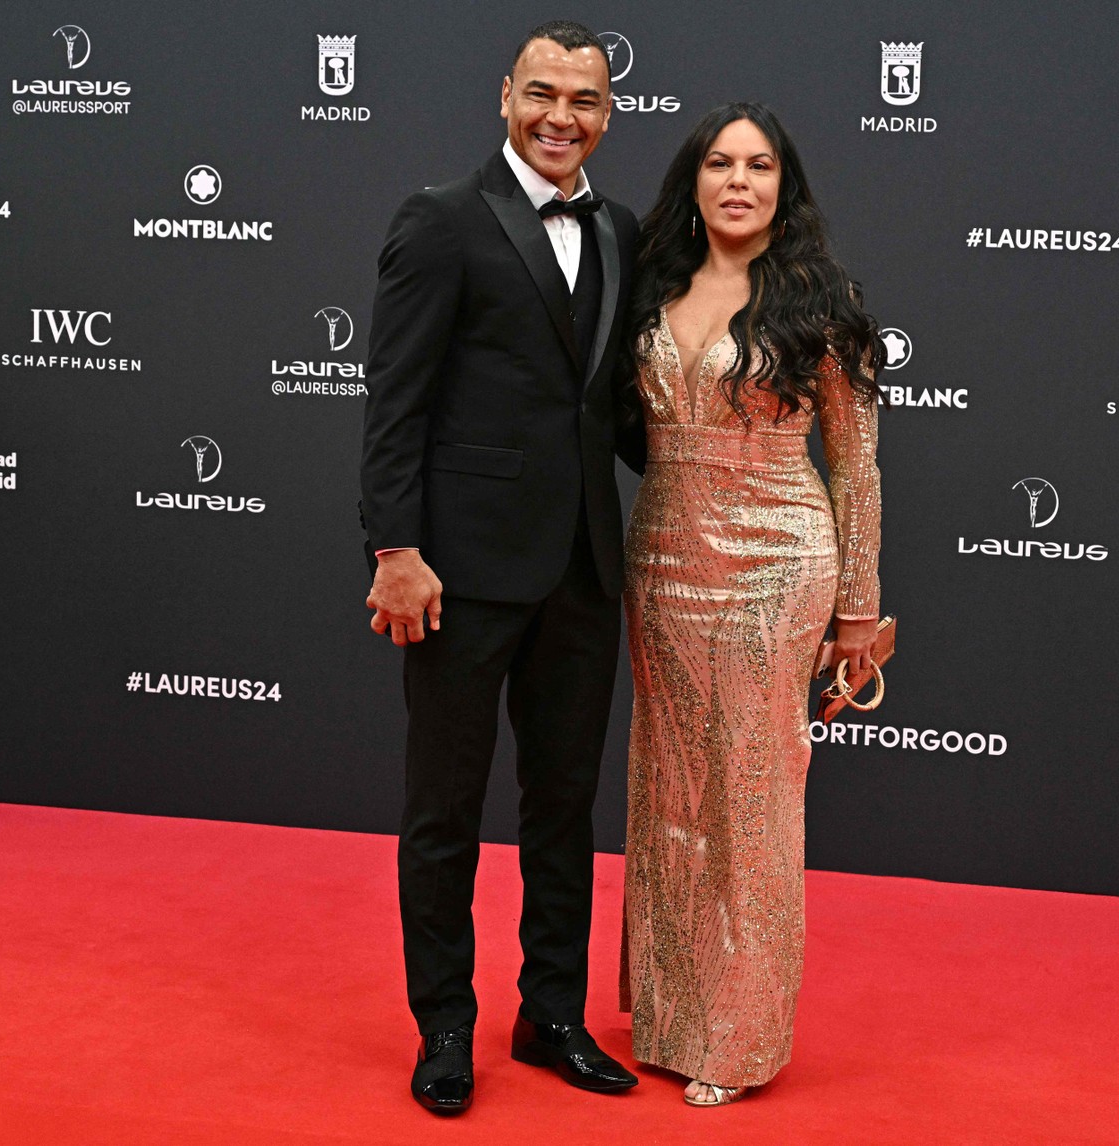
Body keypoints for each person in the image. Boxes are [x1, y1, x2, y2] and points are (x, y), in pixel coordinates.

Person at [359, 20, 642, 1115]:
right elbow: (396, 401)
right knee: (443, 809)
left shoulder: (618, 228)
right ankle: (444, 1028)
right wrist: (395, 549)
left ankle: (550, 1015)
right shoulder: (440, 220)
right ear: (505, 97)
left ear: (608, 114)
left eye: (584, 100)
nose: (561, 117)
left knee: (563, 807)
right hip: (458, 574)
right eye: (542, 94)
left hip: (582, 571)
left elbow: (611, 407)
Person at [619, 102, 885, 1106]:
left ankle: (739, 1035)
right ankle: (669, 1007)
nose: (739, 180)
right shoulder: (653, 284)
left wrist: (857, 611)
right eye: (720, 163)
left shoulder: (820, 297)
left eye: (760, 164)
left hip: (778, 561)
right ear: (693, 180)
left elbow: (855, 468)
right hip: (662, 554)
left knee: (752, 795)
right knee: (667, 781)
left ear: (785, 184)